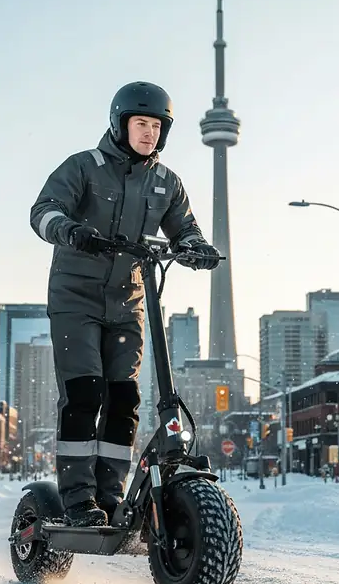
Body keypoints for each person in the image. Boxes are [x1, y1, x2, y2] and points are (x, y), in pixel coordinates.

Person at [30, 81, 220, 527]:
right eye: (141, 124)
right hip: (75, 299)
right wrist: (71, 230)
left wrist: (196, 247)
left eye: (157, 126)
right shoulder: (84, 167)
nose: (149, 133)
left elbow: (184, 227)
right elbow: (44, 211)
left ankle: (109, 498)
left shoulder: (166, 183)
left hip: (128, 301)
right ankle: (77, 498)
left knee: (124, 397)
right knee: (85, 394)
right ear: (120, 124)